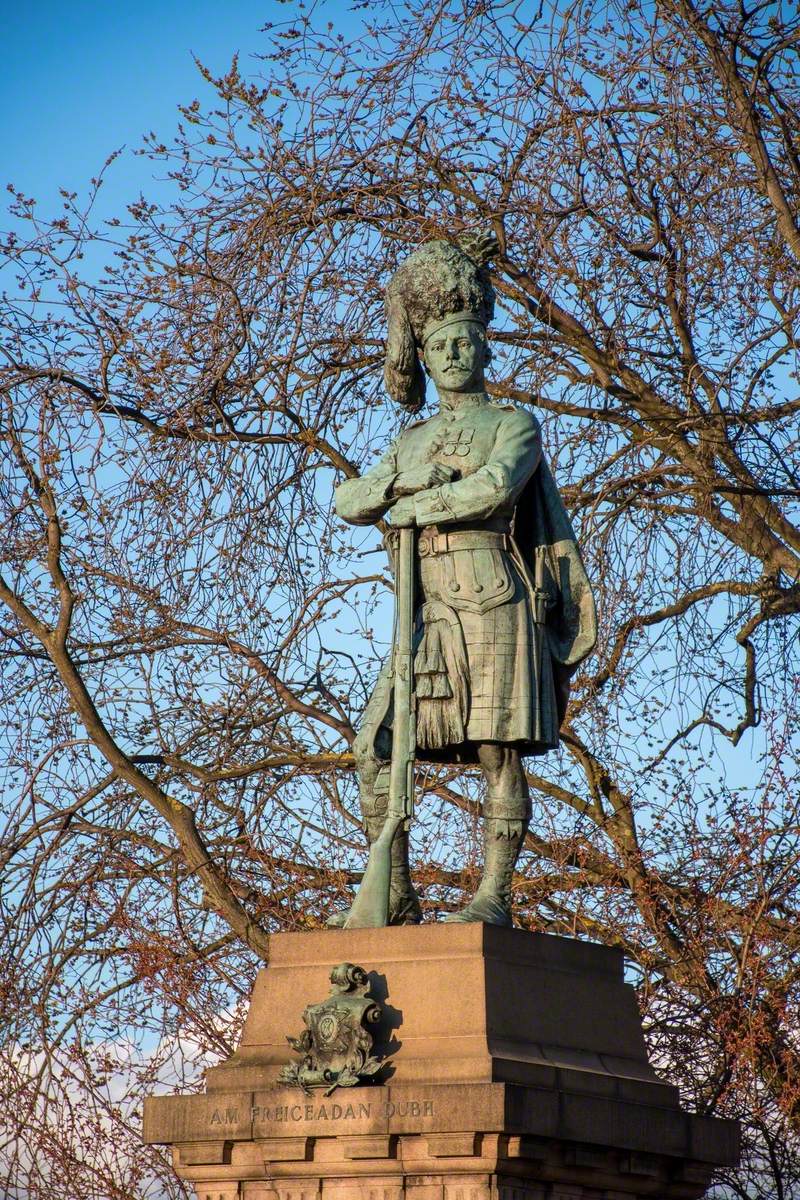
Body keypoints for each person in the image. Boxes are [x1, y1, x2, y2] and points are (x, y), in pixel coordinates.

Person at [331, 237, 596, 927]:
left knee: (496, 751)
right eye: (438, 344)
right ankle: (397, 896)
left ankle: (493, 897)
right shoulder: (411, 441)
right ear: (422, 355)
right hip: (422, 611)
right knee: (373, 748)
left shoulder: (514, 423)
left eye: (462, 341)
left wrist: (419, 505)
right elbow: (350, 501)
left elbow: (495, 487)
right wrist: (400, 481)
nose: (451, 354)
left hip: (494, 598)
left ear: (483, 348)